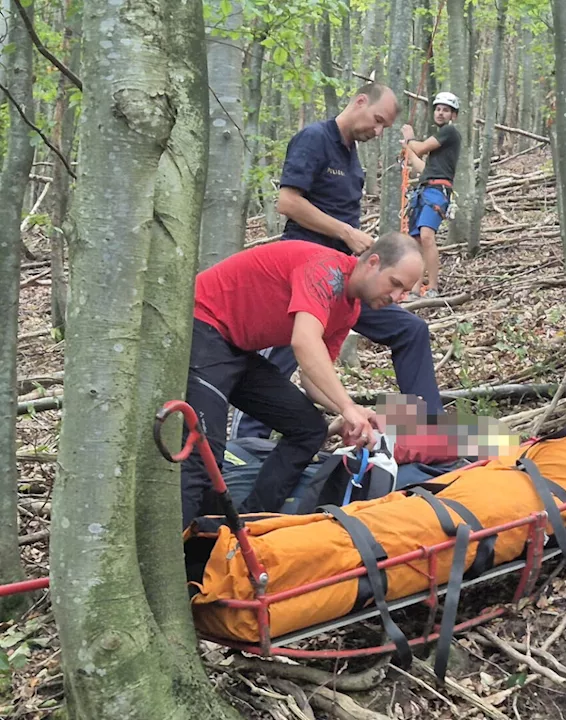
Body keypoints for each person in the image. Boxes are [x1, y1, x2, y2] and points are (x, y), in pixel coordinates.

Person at [231, 83, 445, 441]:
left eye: (384, 128)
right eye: (377, 121)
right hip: (300, 277)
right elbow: (288, 202)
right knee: (277, 362)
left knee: (410, 330)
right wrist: (346, 232)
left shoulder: (351, 158)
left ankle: (428, 436)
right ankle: (245, 447)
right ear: (360, 102)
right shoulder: (314, 139)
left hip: (346, 282)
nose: (377, 132)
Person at [182, 233, 425, 525]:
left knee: (309, 429)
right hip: (202, 325)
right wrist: (347, 406)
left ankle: (252, 523)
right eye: (396, 284)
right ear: (373, 263)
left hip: (235, 347)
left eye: (405, 291)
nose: (398, 297)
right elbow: (304, 342)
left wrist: (348, 414)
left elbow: (312, 378)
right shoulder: (326, 270)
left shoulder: (349, 309)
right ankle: (179, 559)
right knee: (203, 459)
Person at [401, 91, 462, 298]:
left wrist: (410, 140)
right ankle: (416, 287)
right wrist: (408, 150)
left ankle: (433, 287)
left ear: (453, 115)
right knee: (417, 240)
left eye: (446, 110)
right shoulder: (440, 146)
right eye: (438, 109)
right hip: (425, 189)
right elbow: (422, 168)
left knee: (427, 235)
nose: (441, 113)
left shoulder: (449, 133)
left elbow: (421, 148)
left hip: (438, 191)